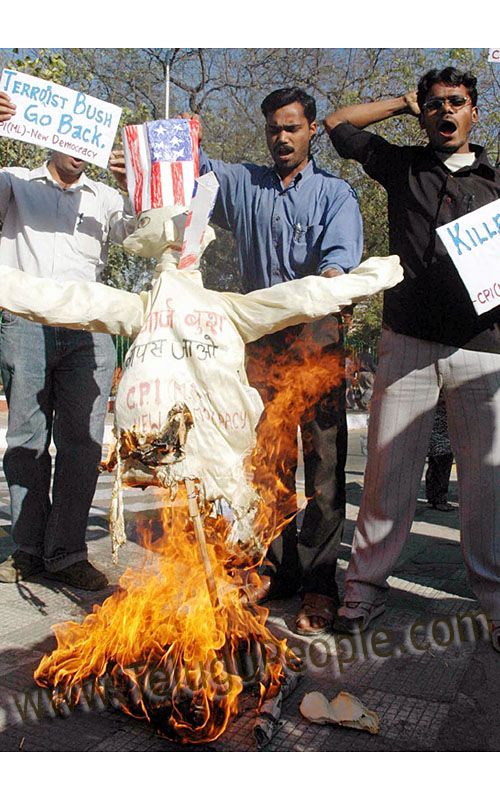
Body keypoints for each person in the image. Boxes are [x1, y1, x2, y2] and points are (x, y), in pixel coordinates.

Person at [325, 66, 500, 649]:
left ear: (474, 111)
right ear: (423, 115)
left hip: (484, 348)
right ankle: (363, 590)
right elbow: (338, 124)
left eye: (457, 101)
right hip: (407, 342)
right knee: (386, 474)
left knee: (487, 485)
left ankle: (496, 600)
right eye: (435, 104)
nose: (446, 111)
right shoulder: (402, 166)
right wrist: (402, 101)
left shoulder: (497, 181)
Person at [195, 87, 363, 634]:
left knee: (324, 464)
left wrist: (332, 280)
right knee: (267, 461)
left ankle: (319, 584)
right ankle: (275, 570)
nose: (282, 137)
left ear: (312, 130)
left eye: (292, 127)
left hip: (317, 336)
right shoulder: (243, 185)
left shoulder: (334, 194)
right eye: (273, 128)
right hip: (261, 339)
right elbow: (194, 172)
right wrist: (181, 140)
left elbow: (339, 259)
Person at [0, 89, 135, 590]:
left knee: (82, 442)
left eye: (88, 139)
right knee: (26, 441)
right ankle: (27, 551)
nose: (79, 149)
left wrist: (134, 185)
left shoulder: (105, 197)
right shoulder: (14, 182)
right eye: (72, 137)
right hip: (25, 323)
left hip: (88, 329)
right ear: (50, 133)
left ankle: (67, 552)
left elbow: (140, 236)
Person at [425, 391, 454, 512]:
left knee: (434, 467)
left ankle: (433, 497)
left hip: (437, 436)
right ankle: (439, 500)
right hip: (443, 439)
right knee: (441, 468)